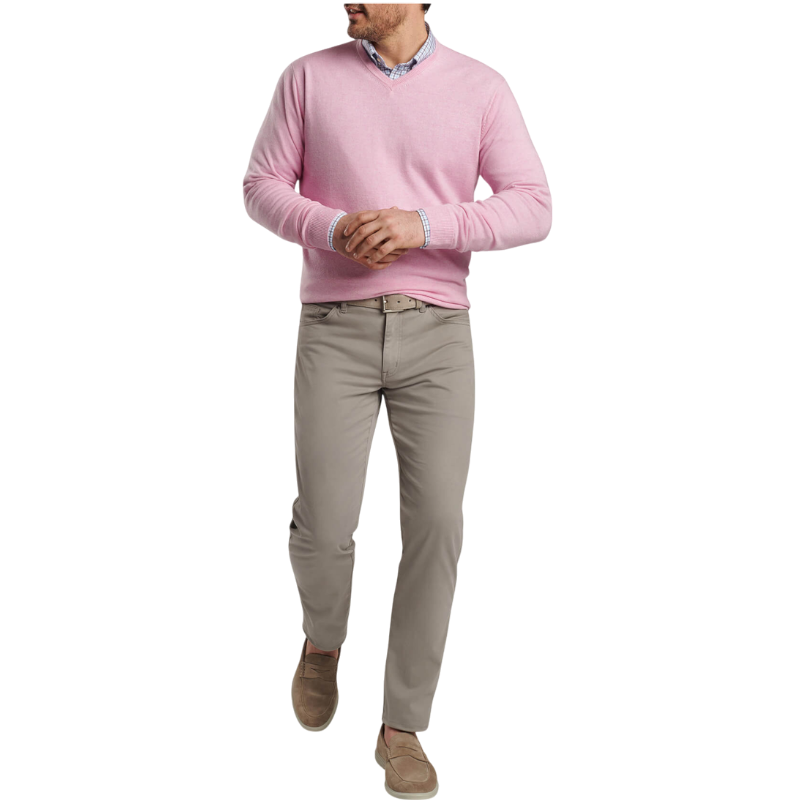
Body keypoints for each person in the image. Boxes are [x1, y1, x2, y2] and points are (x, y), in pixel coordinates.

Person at [242, 4, 552, 798]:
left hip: (440, 333)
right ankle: (322, 645)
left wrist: (424, 225)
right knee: (324, 521)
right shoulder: (306, 77)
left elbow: (533, 205)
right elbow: (260, 187)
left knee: (439, 527)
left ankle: (403, 726)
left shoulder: (481, 87)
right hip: (333, 327)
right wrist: (330, 227)